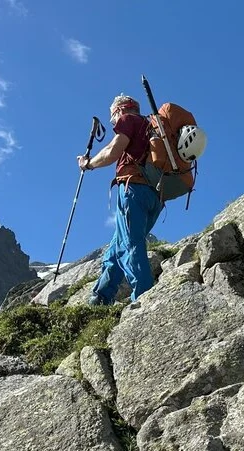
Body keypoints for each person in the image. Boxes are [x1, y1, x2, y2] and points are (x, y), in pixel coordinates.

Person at [76, 94, 163, 305]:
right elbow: (110, 147)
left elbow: (113, 151)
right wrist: (90, 160)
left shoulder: (127, 120)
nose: (113, 123)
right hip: (157, 195)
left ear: (118, 111)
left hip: (134, 188)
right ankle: (100, 298)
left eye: (112, 118)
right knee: (117, 246)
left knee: (131, 244)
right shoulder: (151, 126)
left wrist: (88, 165)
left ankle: (144, 299)